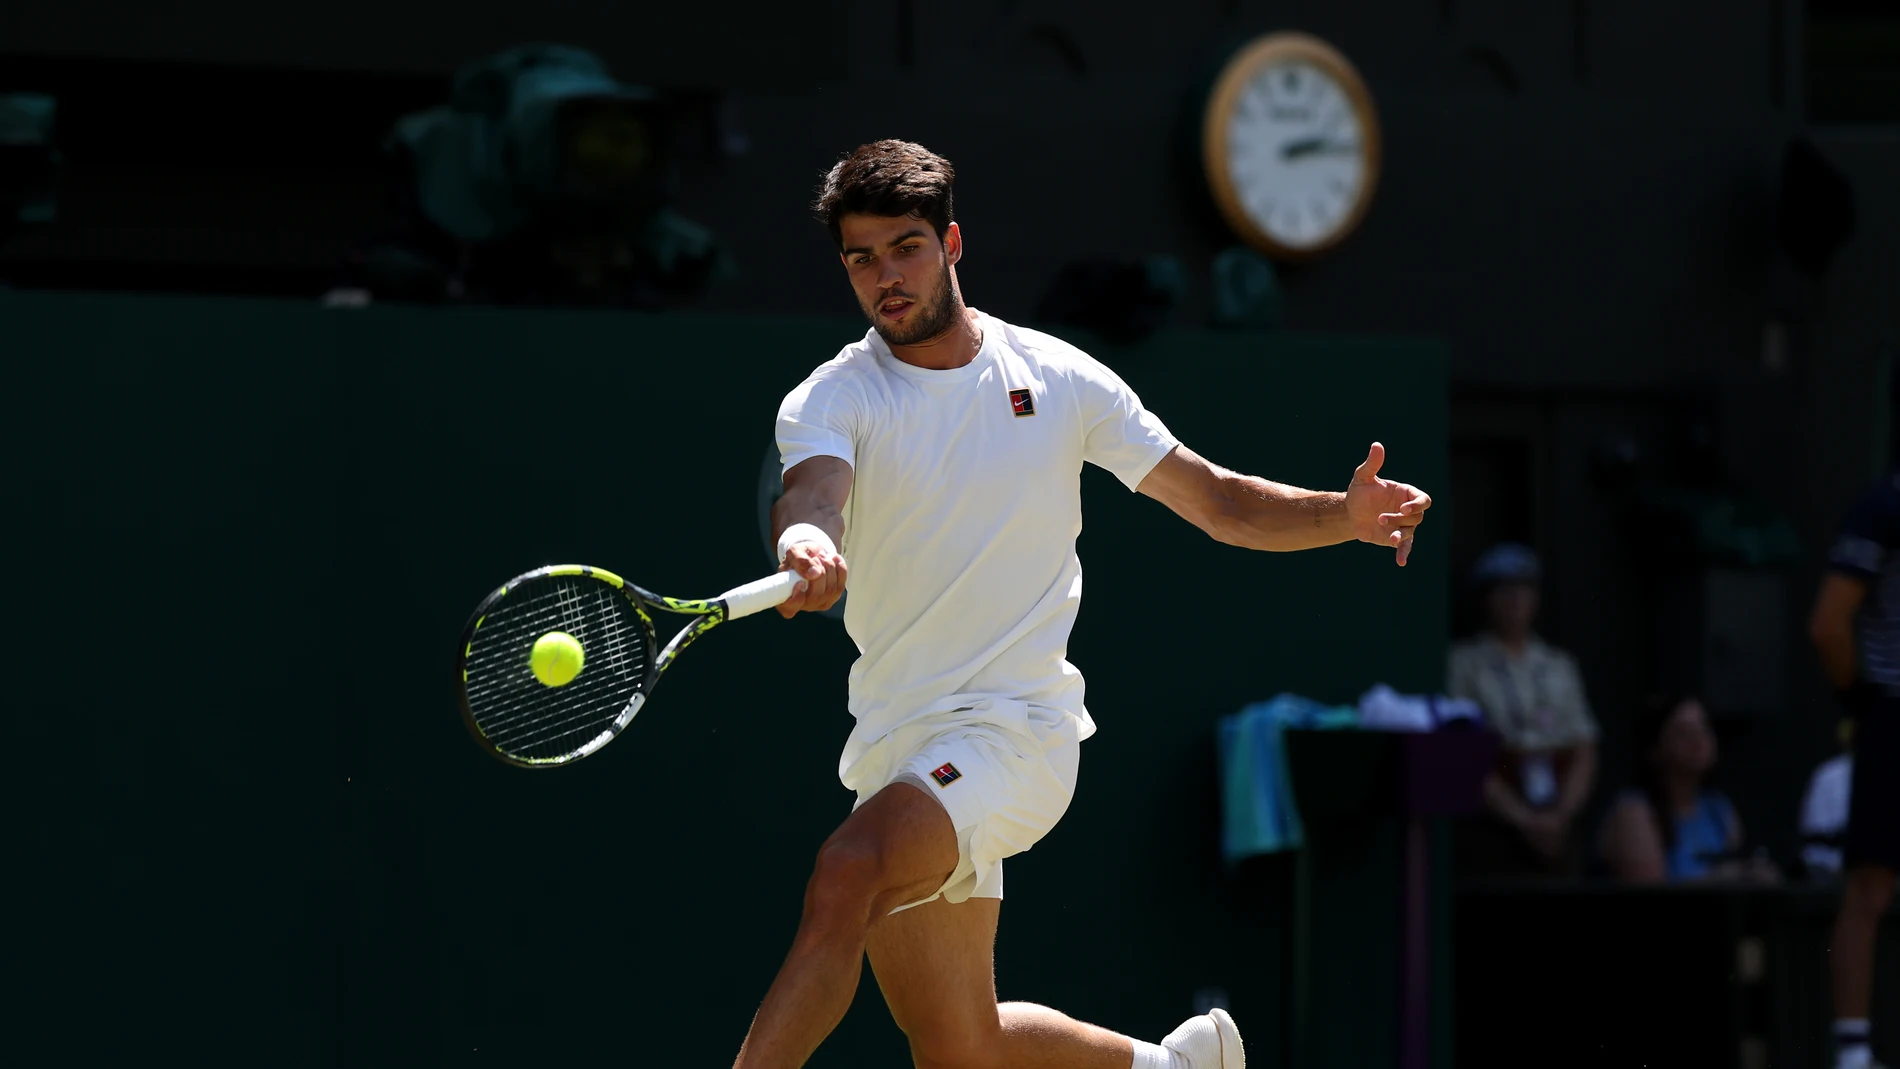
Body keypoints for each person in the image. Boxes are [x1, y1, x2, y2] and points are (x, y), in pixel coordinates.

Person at [742, 140, 1434, 1069]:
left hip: (1015, 735)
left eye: (905, 248)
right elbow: (814, 496)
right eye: (862, 259)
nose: (886, 277)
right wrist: (805, 540)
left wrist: (1340, 516)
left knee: (846, 872)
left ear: (951, 244)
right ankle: (1174, 1067)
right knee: (960, 1047)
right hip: (899, 742)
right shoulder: (831, 397)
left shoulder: (1059, 378)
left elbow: (1219, 501)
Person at [1811, 469, 1900, 1069]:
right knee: (1871, 886)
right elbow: (1827, 626)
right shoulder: (1883, 508)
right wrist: (1860, 700)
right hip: (1892, 708)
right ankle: (1853, 1053)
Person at [1447, 544, 1599, 877]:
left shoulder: (1558, 664)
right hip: (1494, 815)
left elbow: (1584, 747)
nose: (1516, 600)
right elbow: (1462, 749)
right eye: (1504, 590)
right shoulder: (1464, 663)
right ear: (1486, 599)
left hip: (1556, 814)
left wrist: (1561, 815)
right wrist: (1522, 819)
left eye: (1524, 589)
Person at [1597, 692, 1778, 884]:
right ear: (1654, 748)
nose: (1698, 740)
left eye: (1704, 728)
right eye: (1683, 732)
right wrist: (1721, 879)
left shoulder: (1719, 809)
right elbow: (1649, 896)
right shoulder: (1634, 812)